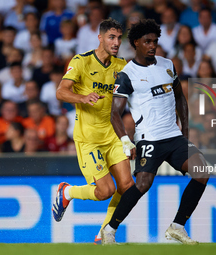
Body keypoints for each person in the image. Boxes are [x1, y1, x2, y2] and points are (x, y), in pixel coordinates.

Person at [102, 19, 209, 245]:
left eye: (155, 41)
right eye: (147, 41)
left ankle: (177, 227)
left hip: (173, 136)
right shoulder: (126, 74)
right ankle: (110, 230)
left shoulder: (167, 65)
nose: (152, 46)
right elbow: (114, 113)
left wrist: (185, 132)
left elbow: (180, 97)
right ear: (135, 44)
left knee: (202, 171)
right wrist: (124, 140)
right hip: (148, 137)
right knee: (142, 185)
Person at [53, 18, 135, 245]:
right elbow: (61, 91)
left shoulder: (121, 65)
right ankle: (67, 193)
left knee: (127, 186)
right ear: (100, 38)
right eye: (111, 37)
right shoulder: (81, 62)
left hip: (112, 136)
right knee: (105, 190)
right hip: (89, 139)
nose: (116, 42)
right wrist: (82, 97)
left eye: (119, 38)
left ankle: (105, 234)